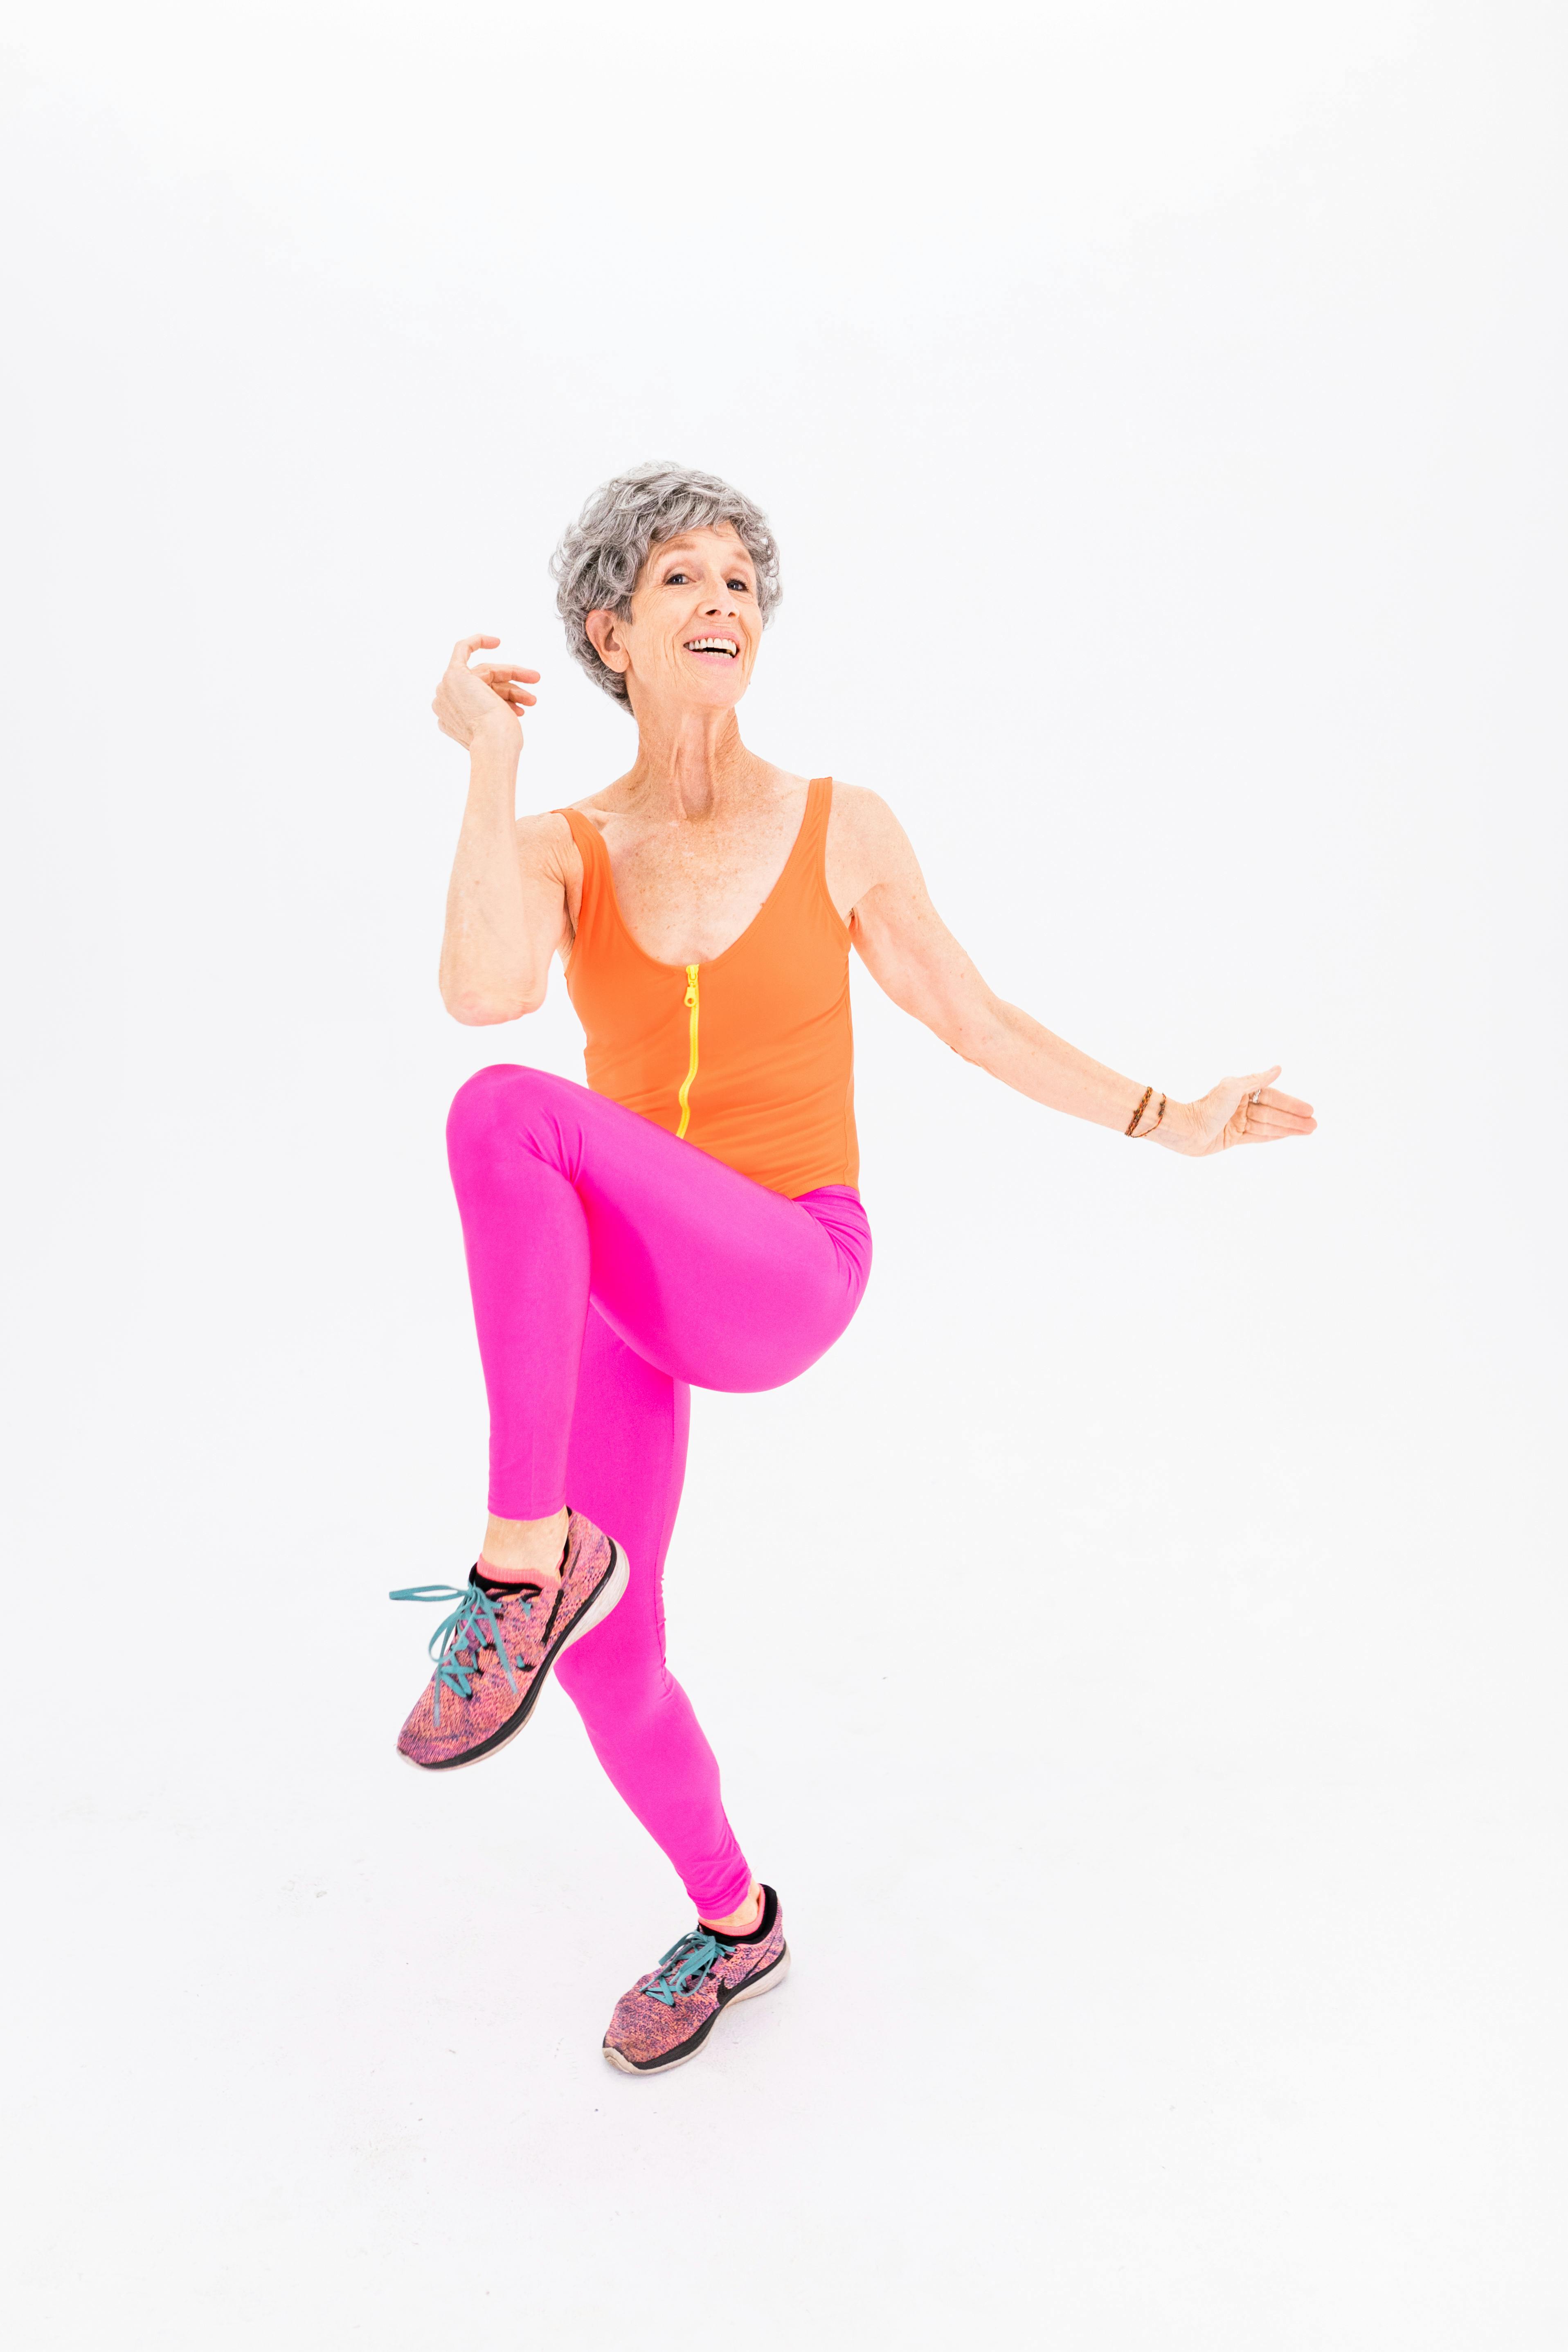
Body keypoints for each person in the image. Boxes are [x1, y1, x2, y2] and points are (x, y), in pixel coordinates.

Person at [392, 463, 1317, 2076]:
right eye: (683, 577)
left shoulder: (836, 824)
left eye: (744, 579)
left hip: (781, 1265)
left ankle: (514, 1565)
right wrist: (488, 759)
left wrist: (1163, 1116)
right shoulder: (564, 846)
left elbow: (969, 1016)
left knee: (506, 1117)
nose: (725, 600)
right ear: (610, 628)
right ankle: (733, 1919)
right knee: (616, 1665)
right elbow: (483, 987)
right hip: (618, 1296)